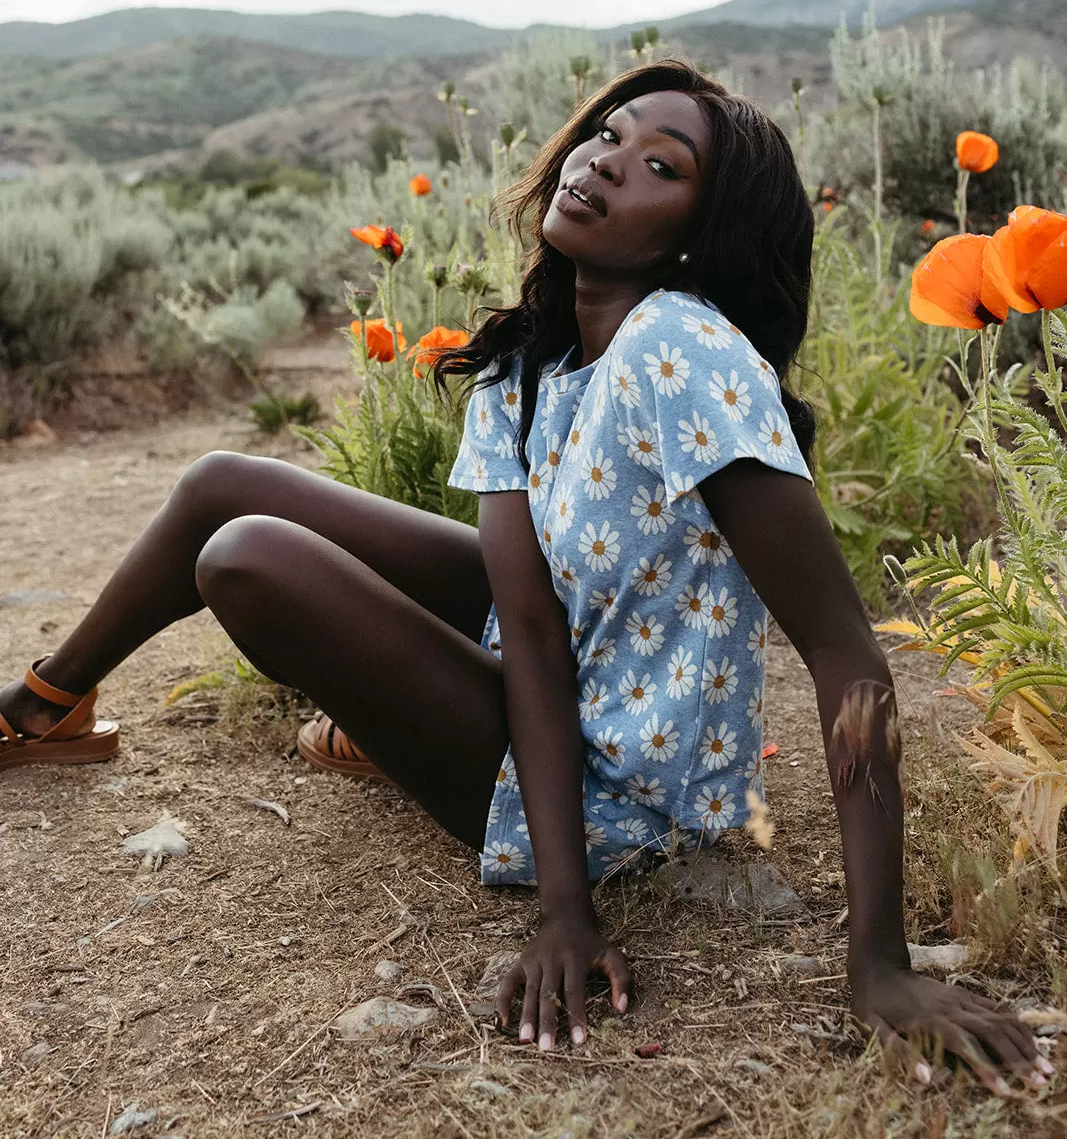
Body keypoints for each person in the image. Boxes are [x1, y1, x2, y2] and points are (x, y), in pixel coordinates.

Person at [0, 61, 1049, 1095]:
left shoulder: (678, 349)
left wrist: (871, 963)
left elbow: (841, 649)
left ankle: (398, 730)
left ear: (698, 231)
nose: (604, 163)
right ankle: (50, 705)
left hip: (623, 795)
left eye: (659, 164)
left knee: (244, 556)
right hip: (535, 669)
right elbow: (528, 623)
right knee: (221, 482)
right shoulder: (524, 362)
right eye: (608, 134)